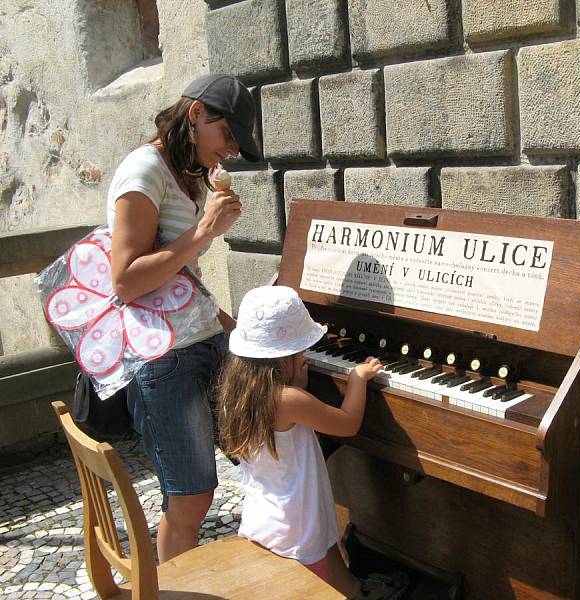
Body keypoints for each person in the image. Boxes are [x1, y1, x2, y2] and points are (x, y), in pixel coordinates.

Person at [107, 73, 261, 562]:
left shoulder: (187, 171)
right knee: (190, 496)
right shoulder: (143, 171)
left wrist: (224, 320)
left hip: (203, 339)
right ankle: (172, 590)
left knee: (260, 450)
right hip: (162, 359)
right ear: (196, 114)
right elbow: (126, 281)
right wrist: (205, 229)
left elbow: (178, 275)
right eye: (229, 135)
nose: (233, 149)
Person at [217, 286, 409, 600]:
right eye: (300, 353)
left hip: (264, 518)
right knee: (323, 578)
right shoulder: (289, 398)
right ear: (282, 359)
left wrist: (298, 385)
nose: (305, 357)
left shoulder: (238, 392)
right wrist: (357, 379)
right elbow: (347, 424)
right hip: (296, 526)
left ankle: (354, 586)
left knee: (330, 558)